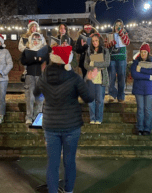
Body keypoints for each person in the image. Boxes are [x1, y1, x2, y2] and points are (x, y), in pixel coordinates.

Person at [34, 45, 95, 193]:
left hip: (50, 125)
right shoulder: (74, 77)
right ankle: (68, 191)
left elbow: (37, 95)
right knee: (69, 162)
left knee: (53, 163)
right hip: (71, 125)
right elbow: (89, 97)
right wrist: (90, 80)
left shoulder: (44, 75)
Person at [131, 43, 152, 135]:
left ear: (148, 52)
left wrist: (141, 70)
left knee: (147, 109)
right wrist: (148, 76)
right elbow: (134, 74)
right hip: (139, 89)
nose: (143, 54)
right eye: (142, 52)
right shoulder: (136, 62)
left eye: (145, 52)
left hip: (149, 89)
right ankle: (140, 128)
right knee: (140, 109)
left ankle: (147, 128)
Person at [21, 32, 48, 124]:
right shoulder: (27, 49)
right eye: (34, 39)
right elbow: (23, 61)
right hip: (30, 74)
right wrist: (35, 59)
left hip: (40, 75)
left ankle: (38, 119)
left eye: (38, 39)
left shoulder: (43, 50)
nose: (36, 41)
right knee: (30, 97)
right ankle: (29, 117)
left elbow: (47, 60)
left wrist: (41, 59)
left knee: (40, 98)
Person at [84, 33, 110, 124]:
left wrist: (94, 64)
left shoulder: (105, 51)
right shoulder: (89, 51)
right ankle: (92, 118)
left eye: (96, 40)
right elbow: (85, 64)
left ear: (100, 41)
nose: (94, 42)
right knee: (91, 100)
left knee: (99, 100)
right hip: (91, 78)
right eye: (93, 41)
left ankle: (99, 119)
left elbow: (106, 63)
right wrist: (92, 67)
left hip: (100, 79)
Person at [107, 19, 130, 103]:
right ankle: (112, 94)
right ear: (114, 26)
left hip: (121, 59)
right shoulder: (110, 35)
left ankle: (120, 96)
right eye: (116, 25)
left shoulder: (125, 34)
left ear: (122, 26)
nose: (118, 26)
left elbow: (127, 42)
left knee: (121, 77)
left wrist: (121, 33)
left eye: (120, 25)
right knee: (111, 77)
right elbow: (106, 46)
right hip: (112, 58)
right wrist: (111, 43)